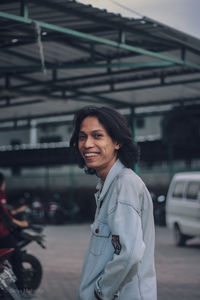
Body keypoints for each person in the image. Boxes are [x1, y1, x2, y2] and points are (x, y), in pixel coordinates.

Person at [70, 106, 157, 300]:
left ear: (117, 141)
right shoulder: (109, 184)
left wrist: (102, 291)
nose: (87, 144)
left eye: (97, 136)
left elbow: (131, 253)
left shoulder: (124, 184)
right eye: (82, 137)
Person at [0, 172, 29, 289]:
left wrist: (18, 211)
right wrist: (21, 223)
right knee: (16, 255)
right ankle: (20, 289)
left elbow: (5, 213)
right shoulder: (0, 194)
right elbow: (7, 217)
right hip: (1, 234)